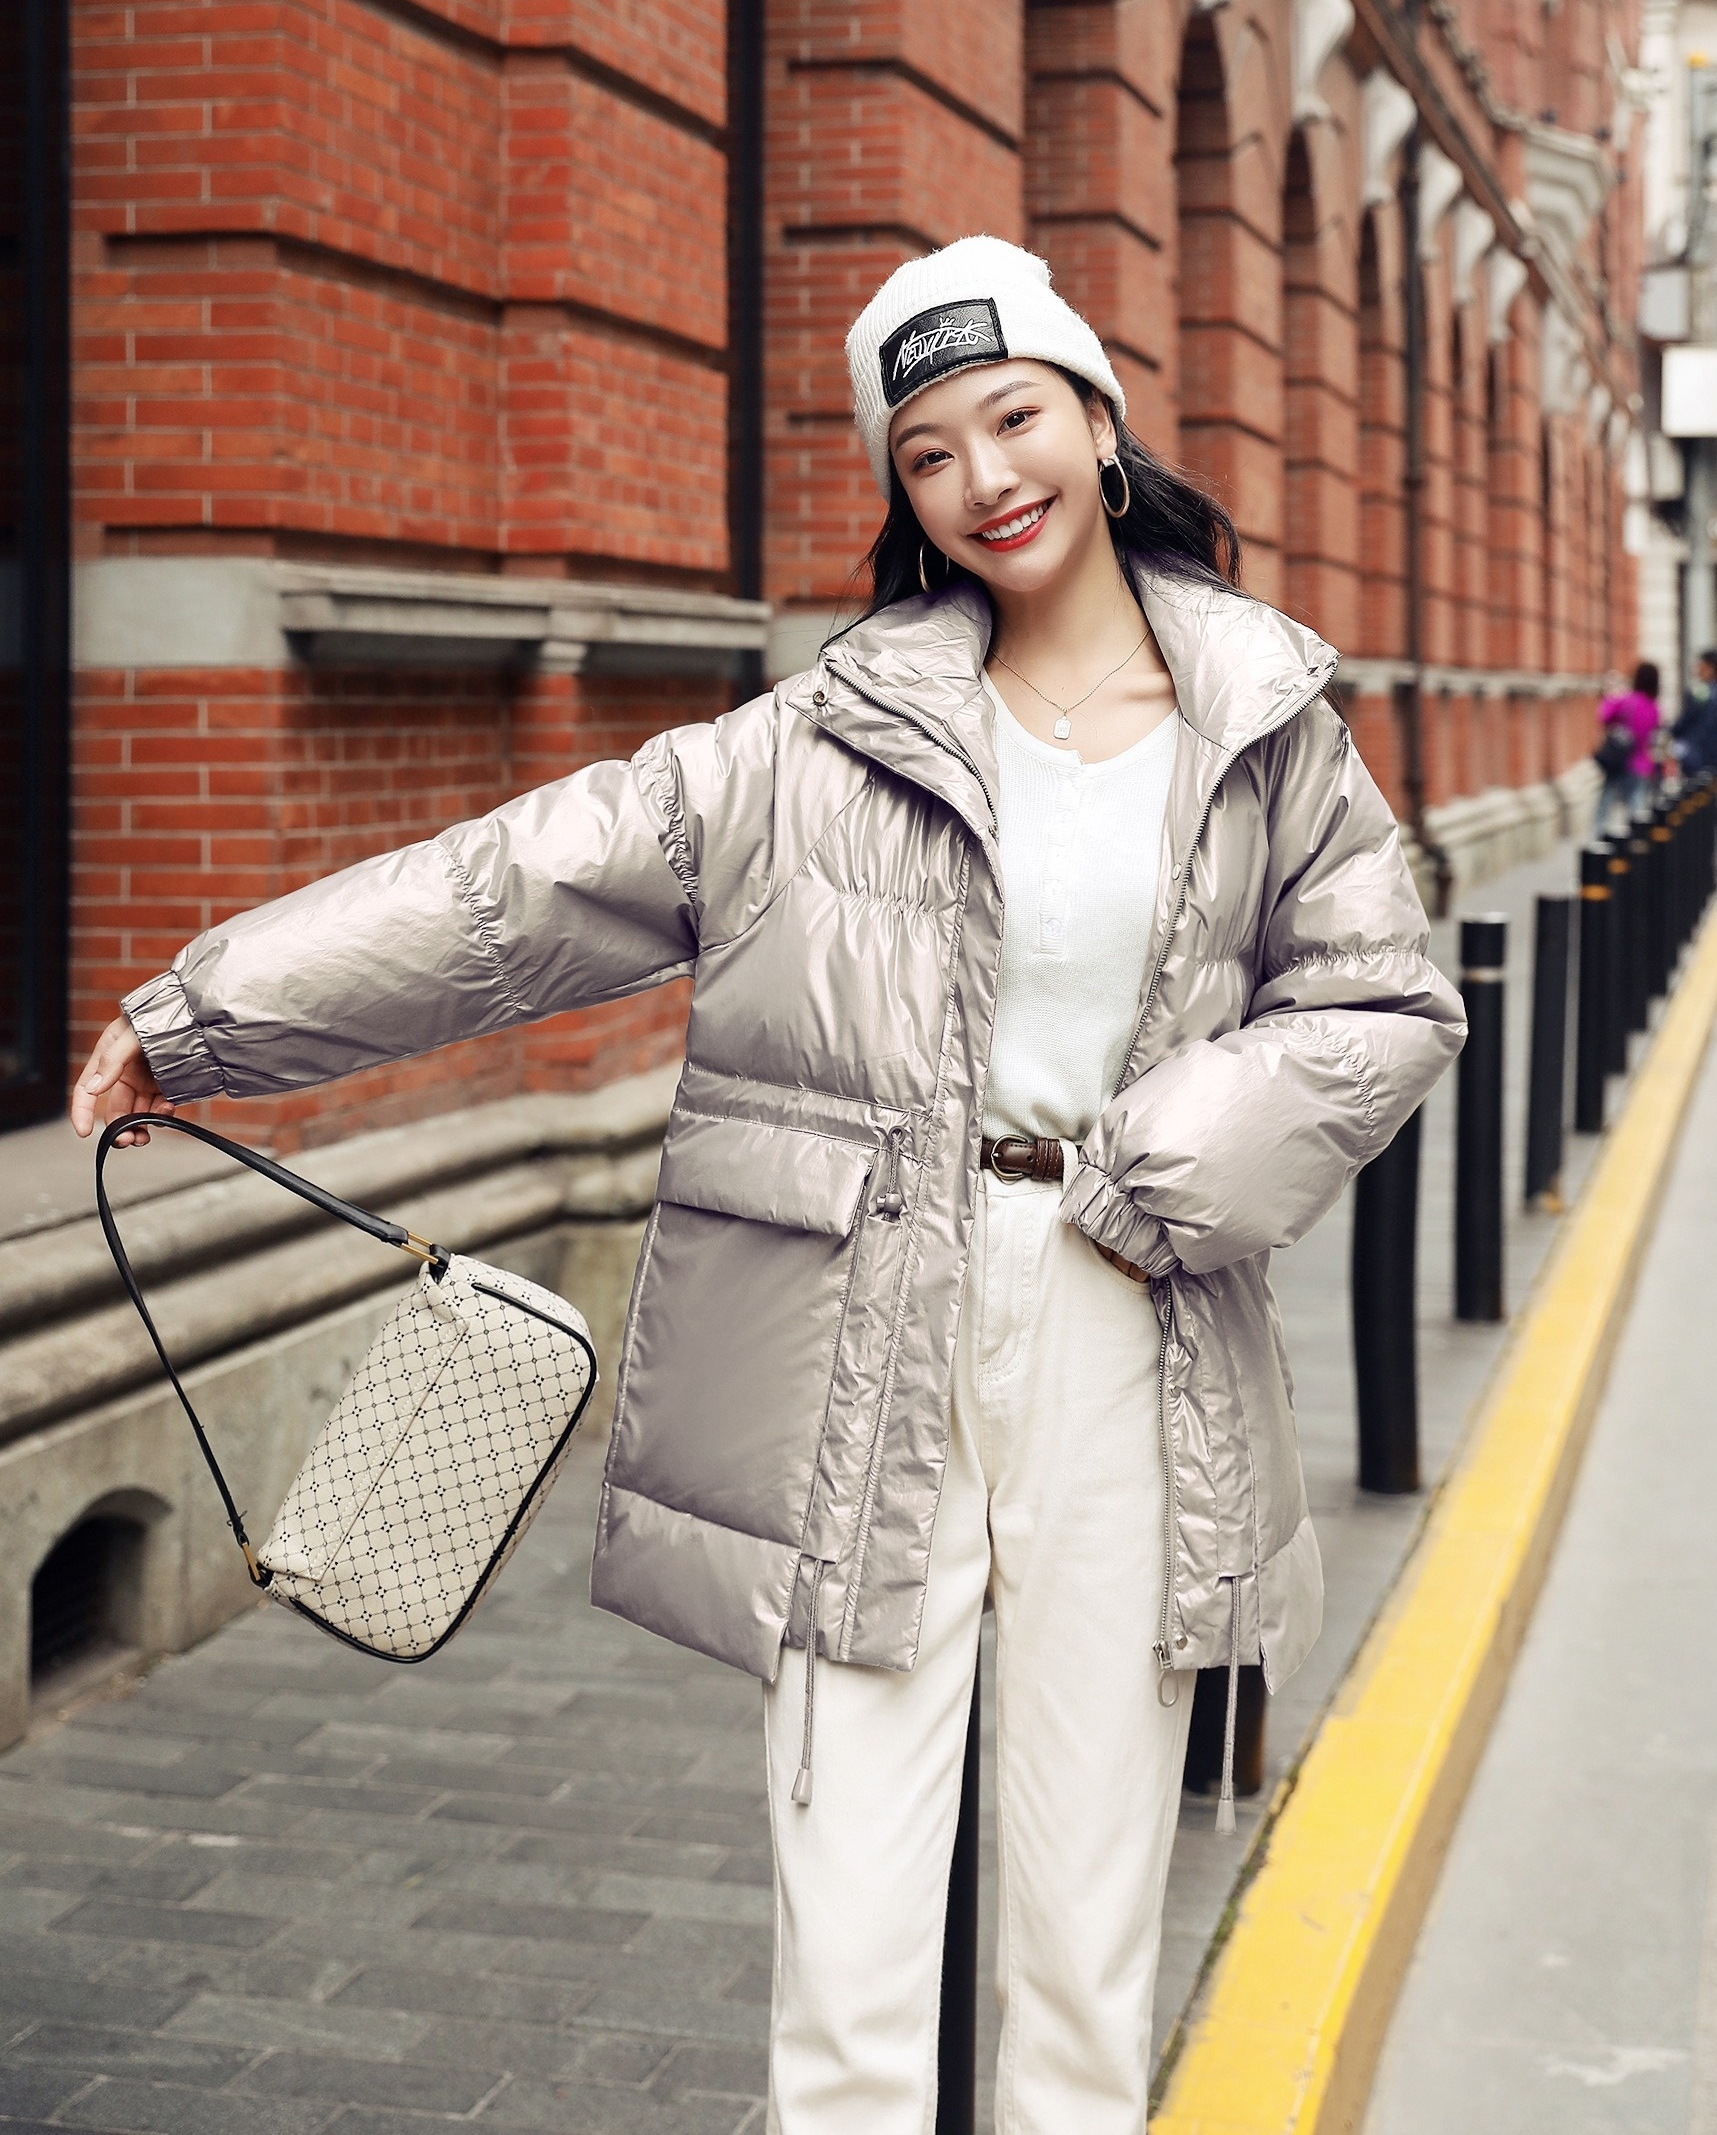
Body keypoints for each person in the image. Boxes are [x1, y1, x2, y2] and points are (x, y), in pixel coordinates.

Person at [71, 236, 1465, 2135]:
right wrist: (210, 1013)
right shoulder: (815, 741)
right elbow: (518, 887)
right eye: (928, 452)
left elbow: (1381, 1001)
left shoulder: (1264, 717)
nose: (984, 477)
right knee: (852, 1924)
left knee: (1088, 1925)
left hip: (1131, 1309)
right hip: (862, 1332)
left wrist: (1181, 1156)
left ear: (1099, 418)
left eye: (1014, 418)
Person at [1593, 658, 1661, 830]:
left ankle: (1599, 840)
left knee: (1604, 807)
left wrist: (1610, 694)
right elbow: (1653, 736)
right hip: (1641, 764)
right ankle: (1637, 841)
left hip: (1620, 762)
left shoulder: (1627, 700)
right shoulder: (1654, 707)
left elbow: (1603, 716)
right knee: (1635, 808)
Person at [1672, 646, 1717, 776]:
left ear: (1711, 668)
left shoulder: (1700, 693)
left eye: (1701, 665)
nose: (1698, 669)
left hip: (1696, 758)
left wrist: (1672, 732)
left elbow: (1684, 722)